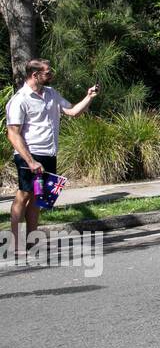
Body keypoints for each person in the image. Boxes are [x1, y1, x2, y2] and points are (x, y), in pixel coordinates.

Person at [6, 60, 97, 251]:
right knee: (23, 195)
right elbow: (13, 133)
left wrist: (89, 97)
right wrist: (30, 161)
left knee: (38, 198)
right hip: (29, 155)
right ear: (34, 75)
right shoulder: (20, 99)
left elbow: (72, 112)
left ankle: (32, 240)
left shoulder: (51, 93)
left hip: (49, 153)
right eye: (47, 73)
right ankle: (15, 243)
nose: (51, 75)